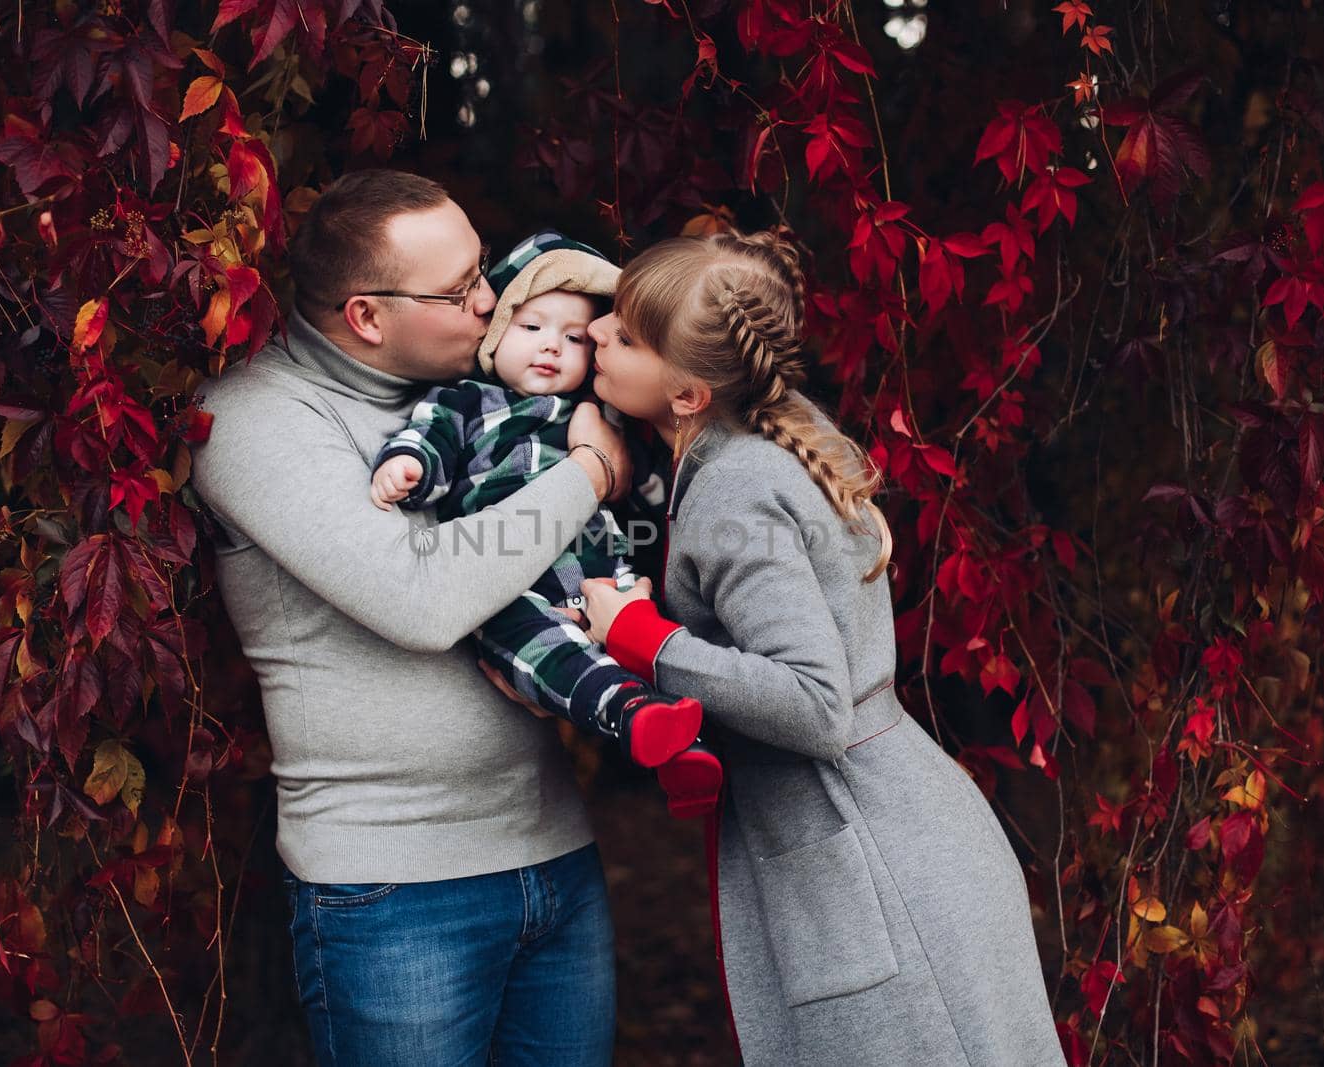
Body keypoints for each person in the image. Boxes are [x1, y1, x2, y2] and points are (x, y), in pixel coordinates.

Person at [572, 230, 1069, 1065]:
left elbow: (812, 703)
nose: (593, 334)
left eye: (624, 334)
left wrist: (640, 637)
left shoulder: (735, 488)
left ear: (689, 391)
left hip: (880, 873)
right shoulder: (752, 446)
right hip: (891, 839)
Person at [189, 170, 627, 1067]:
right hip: (393, 889)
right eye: (462, 287)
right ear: (366, 317)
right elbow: (422, 597)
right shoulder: (253, 421)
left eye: (484, 272)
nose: (492, 299)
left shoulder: (507, 385)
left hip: (555, 853)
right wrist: (588, 474)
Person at [368, 230, 703, 770]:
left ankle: (683, 738)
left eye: (575, 340)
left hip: (600, 575)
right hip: (509, 584)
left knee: (653, 635)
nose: (552, 346)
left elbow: (645, 485)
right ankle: (636, 715)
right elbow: (430, 438)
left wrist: (657, 494)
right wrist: (410, 466)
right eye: (531, 327)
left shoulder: (597, 410)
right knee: (545, 652)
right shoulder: (466, 401)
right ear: (496, 334)